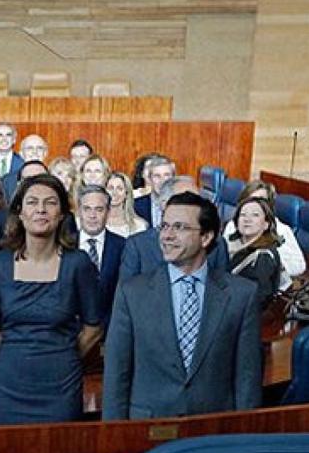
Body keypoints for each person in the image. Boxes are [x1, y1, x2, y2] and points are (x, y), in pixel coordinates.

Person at [103, 192, 262, 420]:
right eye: (164, 226)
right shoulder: (132, 292)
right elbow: (116, 373)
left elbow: (247, 376)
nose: (167, 236)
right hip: (147, 427)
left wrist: (244, 437)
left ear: (206, 237)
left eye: (179, 227)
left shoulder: (241, 295)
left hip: (213, 429)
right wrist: (113, 435)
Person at [0, 174, 101, 424]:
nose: (41, 210)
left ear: (61, 214)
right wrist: (14, 356)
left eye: (50, 203)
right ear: (20, 213)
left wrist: (63, 356)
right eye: (33, 202)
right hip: (9, 385)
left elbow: (94, 327)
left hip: (61, 385)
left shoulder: (78, 263)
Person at [120, 176, 230, 282]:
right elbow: (126, 295)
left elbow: (224, 290)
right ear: (164, 205)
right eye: (184, 201)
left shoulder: (216, 243)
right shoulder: (138, 246)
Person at [222, 180, 305, 289]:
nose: (254, 205)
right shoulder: (233, 225)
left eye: (260, 201)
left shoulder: (282, 230)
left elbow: (300, 265)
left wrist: (271, 263)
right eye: (250, 200)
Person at [76, 185, 125, 325]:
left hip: (109, 330)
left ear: (108, 212)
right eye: (87, 209)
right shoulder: (64, 244)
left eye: (99, 209)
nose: (92, 216)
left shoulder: (123, 246)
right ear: (79, 211)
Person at [226, 197, 282, 308]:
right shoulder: (231, 244)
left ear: (266, 224)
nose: (247, 219)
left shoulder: (263, 256)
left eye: (255, 215)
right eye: (243, 215)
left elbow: (258, 299)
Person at [133, 154, 175, 227]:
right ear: (149, 179)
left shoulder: (184, 206)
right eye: (157, 176)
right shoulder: (135, 206)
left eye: (167, 175)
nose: (162, 181)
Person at [105, 172, 148, 237]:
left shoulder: (139, 226)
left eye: (119, 188)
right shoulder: (95, 222)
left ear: (126, 193)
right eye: (110, 188)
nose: (114, 192)